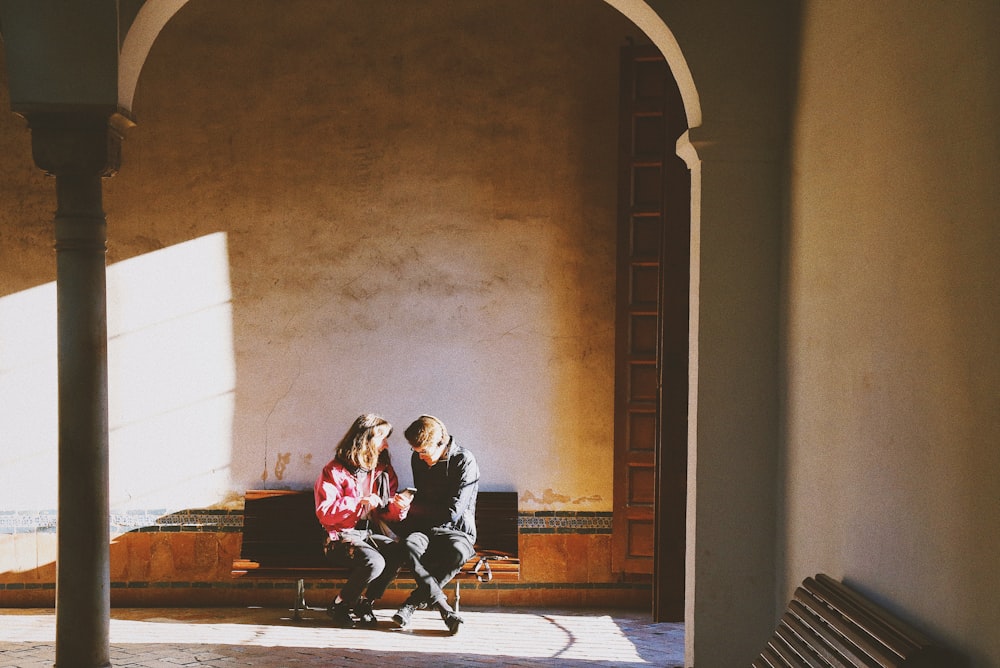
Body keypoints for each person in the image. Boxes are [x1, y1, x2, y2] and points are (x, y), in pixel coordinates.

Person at [314, 413, 412, 628]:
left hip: (370, 533)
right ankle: (339, 604)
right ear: (364, 439)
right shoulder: (335, 470)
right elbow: (324, 512)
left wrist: (398, 507)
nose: (385, 445)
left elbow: (387, 514)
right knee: (374, 562)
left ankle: (365, 603)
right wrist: (357, 501)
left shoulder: (383, 471)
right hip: (339, 537)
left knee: (398, 552)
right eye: (381, 438)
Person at [385, 415, 479, 635]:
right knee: (408, 546)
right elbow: (424, 497)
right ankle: (445, 608)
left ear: (441, 442)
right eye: (416, 452)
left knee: (456, 554)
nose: (420, 457)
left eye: (424, 451)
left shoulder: (464, 461)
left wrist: (419, 509)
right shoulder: (418, 459)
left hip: (458, 531)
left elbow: (453, 511)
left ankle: (410, 604)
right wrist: (409, 501)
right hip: (426, 528)